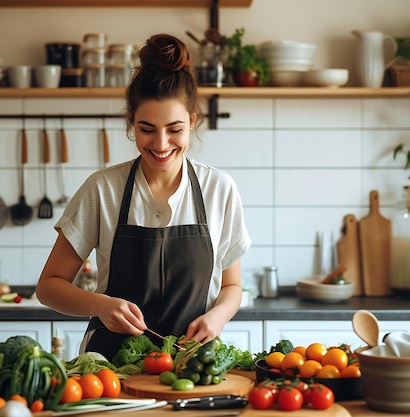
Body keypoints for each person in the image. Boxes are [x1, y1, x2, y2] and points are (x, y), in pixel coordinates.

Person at [36, 33, 251, 361]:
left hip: (191, 365)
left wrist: (217, 316)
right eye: (147, 129)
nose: (161, 144)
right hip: (110, 369)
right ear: (131, 124)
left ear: (193, 121)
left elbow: (232, 287)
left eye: (175, 129)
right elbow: (49, 286)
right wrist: (101, 304)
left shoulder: (219, 189)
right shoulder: (103, 189)